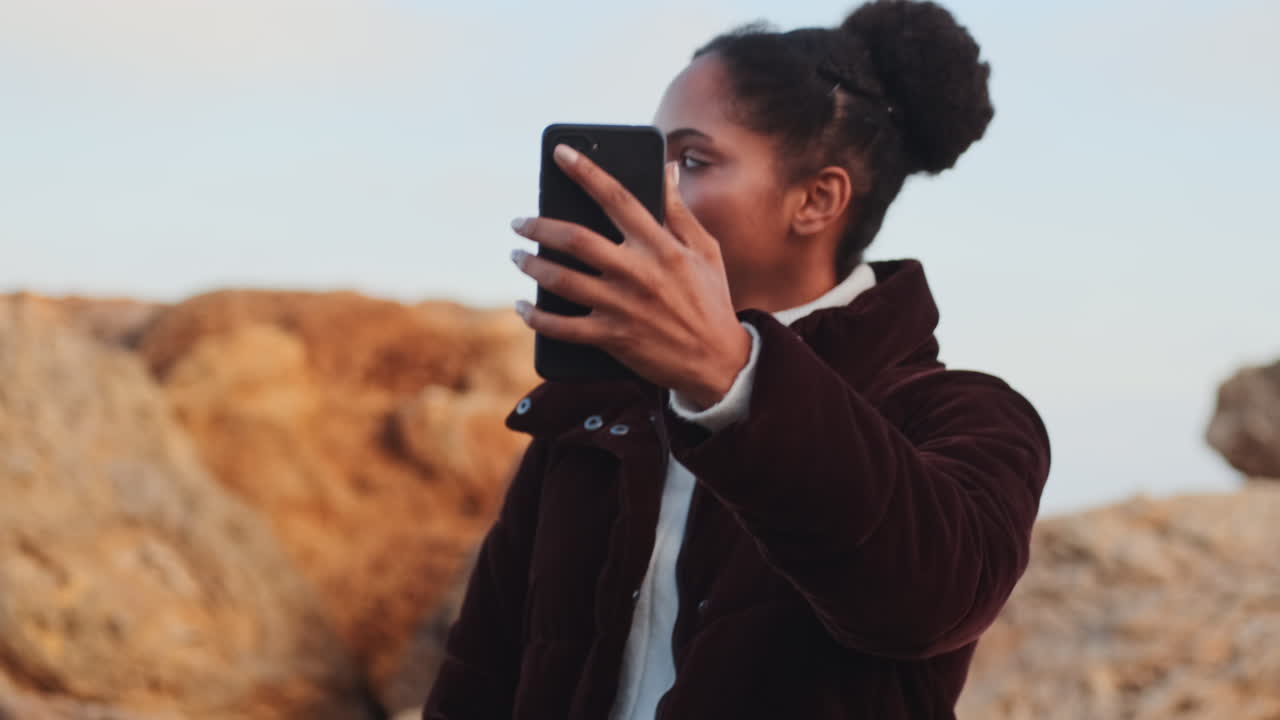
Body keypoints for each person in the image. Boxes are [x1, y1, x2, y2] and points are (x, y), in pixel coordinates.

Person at [422, 0, 1050, 718]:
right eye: (647, 160)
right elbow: (479, 678)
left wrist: (732, 376)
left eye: (690, 159)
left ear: (816, 199)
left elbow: (926, 602)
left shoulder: (968, 416)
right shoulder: (592, 412)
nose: (651, 197)